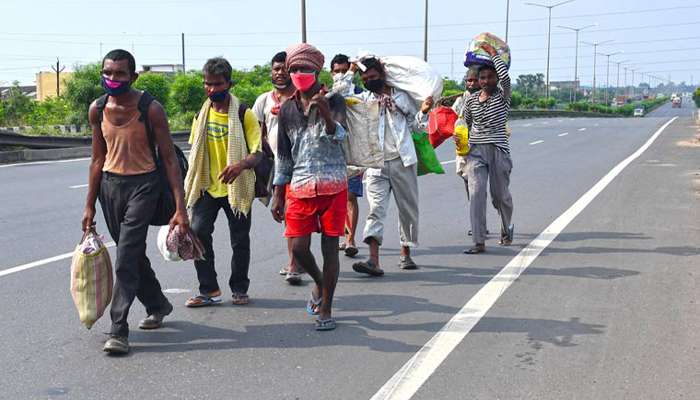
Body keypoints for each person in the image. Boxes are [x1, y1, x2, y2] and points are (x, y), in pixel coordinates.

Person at [82, 49, 188, 354]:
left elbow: (169, 159)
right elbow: (96, 159)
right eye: (108, 73)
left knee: (126, 255)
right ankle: (158, 303)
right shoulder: (97, 109)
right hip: (110, 188)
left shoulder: (150, 108)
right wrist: (89, 205)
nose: (113, 79)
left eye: (120, 73)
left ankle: (118, 329)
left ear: (133, 76)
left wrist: (180, 208)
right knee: (132, 255)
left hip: (144, 185)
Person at [271, 43, 347, 331]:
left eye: (305, 69)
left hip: (333, 185)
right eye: (294, 69)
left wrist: (325, 112)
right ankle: (319, 283)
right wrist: (279, 193)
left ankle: (326, 306)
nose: (299, 73)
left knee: (330, 248)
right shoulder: (287, 109)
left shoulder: (335, 100)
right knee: (300, 249)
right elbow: (284, 155)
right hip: (300, 186)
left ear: (317, 71)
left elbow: (340, 137)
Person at [183, 57, 263, 307]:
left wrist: (240, 165)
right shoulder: (201, 114)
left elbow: (258, 152)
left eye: (217, 84)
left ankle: (239, 288)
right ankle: (209, 289)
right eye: (208, 84)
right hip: (207, 186)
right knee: (197, 233)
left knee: (239, 239)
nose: (212, 89)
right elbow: (194, 151)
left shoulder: (243, 113)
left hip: (237, 188)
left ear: (229, 83)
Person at [346, 57, 432, 276]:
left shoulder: (402, 97)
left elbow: (417, 126)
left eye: (373, 77)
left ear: (382, 75)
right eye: (365, 78)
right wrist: (350, 71)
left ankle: (406, 253)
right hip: (375, 165)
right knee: (375, 210)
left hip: (402, 160)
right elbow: (341, 92)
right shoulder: (363, 99)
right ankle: (373, 260)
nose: (369, 81)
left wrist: (419, 110)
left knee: (407, 209)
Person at [252, 51, 303, 285]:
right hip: (276, 165)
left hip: (302, 164)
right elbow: (256, 133)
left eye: (285, 69)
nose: (280, 73)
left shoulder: (302, 97)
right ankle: (297, 258)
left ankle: (294, 262)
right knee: (287, 213)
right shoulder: (264, 100)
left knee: (293, 213)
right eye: (276, 69)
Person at [462, 43, 514, 254]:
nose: (485, 81)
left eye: (490, 77)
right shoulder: (471, 100)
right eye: (482, 78)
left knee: (499, 195)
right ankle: (478, 241)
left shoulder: (502, 97)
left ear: (496, 79)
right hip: (475, 152)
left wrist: (493, 55)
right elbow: (466, 122)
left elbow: (507, 79)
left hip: (498, 149)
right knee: (476, 194)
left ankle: (506, 226)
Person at [330, 53, 363, 258]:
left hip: (354, 151)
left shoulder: (361, 94)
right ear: (331, 72)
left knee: (350, 196)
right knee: (336, 197)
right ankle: (341, 235)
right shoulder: (330, 94)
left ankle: (350, 239)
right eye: (337, 71)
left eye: (345, 70)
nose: (341, 74)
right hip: (333, 153)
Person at [452, 67, 488, 237]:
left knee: (483, 188)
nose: (471, 83)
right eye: (469, 80)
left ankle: (483, 223)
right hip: (465, 148)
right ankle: (478, 222)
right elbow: (453, 120)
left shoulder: (488, 98)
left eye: (475, 80)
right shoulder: (461, 101)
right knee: (470, 184)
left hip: (485, 147)